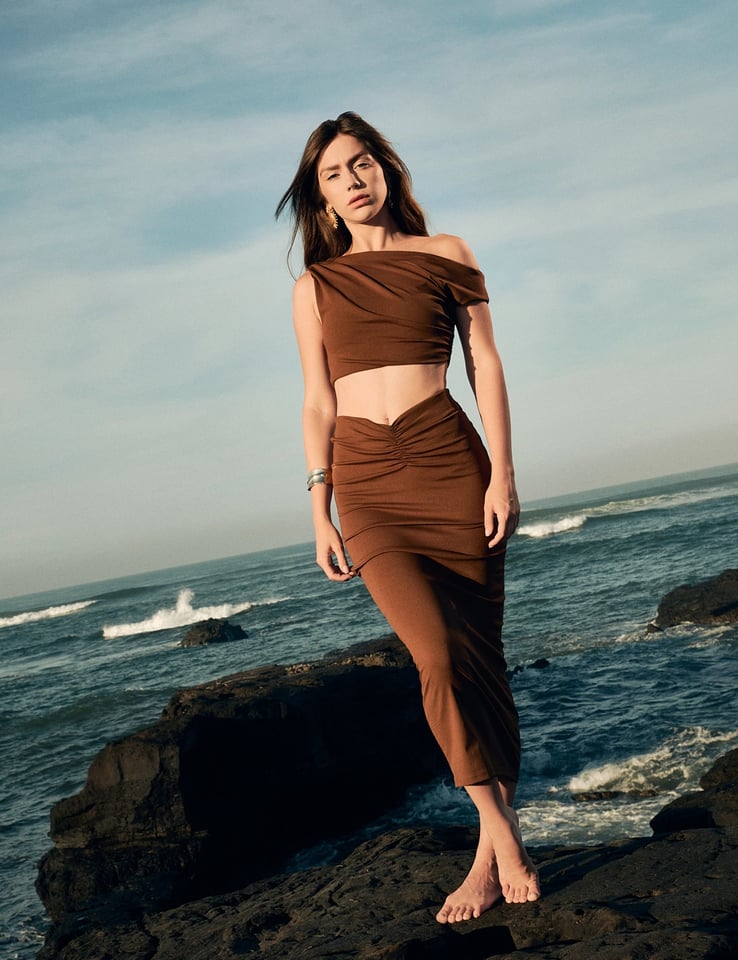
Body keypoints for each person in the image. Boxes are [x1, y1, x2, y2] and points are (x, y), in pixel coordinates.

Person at [276, 111, 540, 923]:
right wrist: (319, 506)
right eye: (333, 174)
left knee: (477, 661)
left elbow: (484, 362)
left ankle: (483, 857)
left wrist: (502, 472)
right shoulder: (313, 287)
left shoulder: (447, 256)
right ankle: (501, 836)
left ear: (387, 172)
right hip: (365, 480)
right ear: (319, 198)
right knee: (433, 654)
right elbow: (317, 399)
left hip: (447, 460)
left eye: (362, 164)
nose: (352, 180)